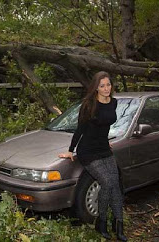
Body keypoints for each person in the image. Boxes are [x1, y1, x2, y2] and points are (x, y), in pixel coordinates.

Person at [58, 71, 127, 241]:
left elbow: (104, 126)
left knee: (115, 184)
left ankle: (118, 225)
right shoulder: (89, 104)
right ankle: (101, 221)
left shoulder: (114, 102)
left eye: (108, 85)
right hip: (87, 151)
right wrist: (71, 149)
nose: (106, 88)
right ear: (96, 87)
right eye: (102, 85)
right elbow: (80, 129)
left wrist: (106, 140)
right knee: (107, 181)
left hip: (104, 147)